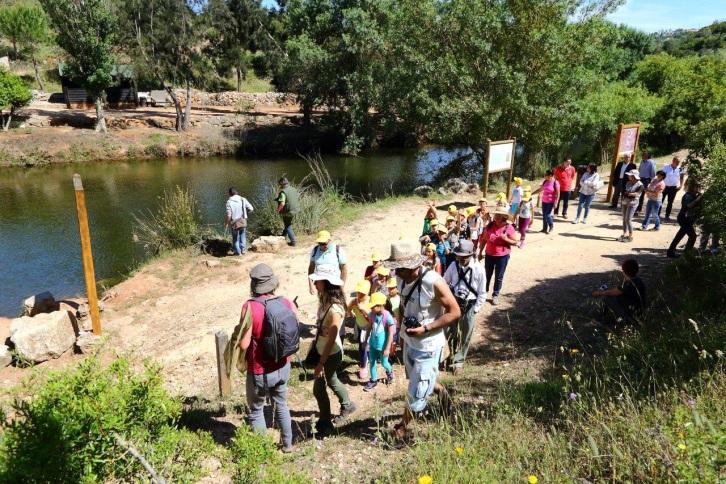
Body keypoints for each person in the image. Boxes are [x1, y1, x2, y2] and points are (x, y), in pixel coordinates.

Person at [382, 240, 460, 440]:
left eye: (398, 268)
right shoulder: (401, 280)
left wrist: (426, 328)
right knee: (419, 380)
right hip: (409, 342)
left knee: (416, 390)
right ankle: (442, 393)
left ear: (411, 266)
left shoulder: (433, 282)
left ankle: (402, 426)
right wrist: (399, 335)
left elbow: (454, 312)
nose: (395, 272)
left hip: (428, 345)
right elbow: (402, 307)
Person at [237, 264, 296, 452]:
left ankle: (263, 453)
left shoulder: (250, 307)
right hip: (283, 365)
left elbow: (244, 344)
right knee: (281, 404)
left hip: (260, 370)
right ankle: (287, 445)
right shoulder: (286, 302)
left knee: (256, 411)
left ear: (254, 285)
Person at [309, 265, 357, 436]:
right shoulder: (324, 299)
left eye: (317, 280)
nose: (314, 283)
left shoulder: (335, 308)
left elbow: (332, 336)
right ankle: (346, 405)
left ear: (327, 283)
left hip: (330, 353)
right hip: (325, 351)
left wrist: (321, 363)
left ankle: (325, 423)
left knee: (320, 388)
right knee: (330, 380)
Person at [443, 240, 486, 375]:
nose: (460, 259)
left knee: (465, 334)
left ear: (471, 255)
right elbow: (444, 282)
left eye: (464, 257)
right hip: (455, 302)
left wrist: (475, 309)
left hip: (470, 304)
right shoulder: (453, 266)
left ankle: (458, 361)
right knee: (450, 331)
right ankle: (449, 356)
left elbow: (482, 293)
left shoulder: (479, 269)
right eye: (459, 256)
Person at [481, 206, 519, 305]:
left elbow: (516, 242)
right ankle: (484, 293)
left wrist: (506, 239)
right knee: (487, 275)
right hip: (489, 254)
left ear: (504, 217)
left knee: (499, 276)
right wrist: (480, 251)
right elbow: (484, 239)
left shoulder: (509, 228)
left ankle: (495, 295)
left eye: (499, 215)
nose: (496, 216)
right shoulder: (489, 226)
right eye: (496, 214)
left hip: (502, 256)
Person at [591, 259, 646, 324]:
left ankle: (597, 321)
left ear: (624, 271)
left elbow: (612, 293)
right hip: (638, 311)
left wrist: (599, 293)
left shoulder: (629, 284)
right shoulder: (637, 280)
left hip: (631, 315)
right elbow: (618, 290)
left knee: (606, 297)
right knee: (610, 294)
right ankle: (606, 317)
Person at [363, 292, 396, 391]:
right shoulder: (372, 314)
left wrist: (387, 348)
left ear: (380, 305)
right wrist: (365, 340)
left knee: (384, 363)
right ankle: (373, 380)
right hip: (373, 344)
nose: (371, 308)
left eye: (373, 306)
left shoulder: (387, 317)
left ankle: (390, 371)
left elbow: (390, 334)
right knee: (372, 362)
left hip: (383, 346)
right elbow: (369, 327)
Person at [666, 180, 703, 258]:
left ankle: (670, 252)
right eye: (697, 187)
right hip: (684, 218)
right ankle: (687, 254)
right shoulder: (688, 195)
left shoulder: (695, 195)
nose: (699, 189)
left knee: (679, 235)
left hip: (688, 219)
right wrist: (697, 200)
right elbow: (688, 206)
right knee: (693, 236)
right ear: (693, 187)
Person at [308, 230, 348, 295]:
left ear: (330, 241)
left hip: (334, 285)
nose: (323, 245)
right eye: (321, 243)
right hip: (321, 285)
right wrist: (311, 285)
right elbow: (311, 268)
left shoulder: (337, 250)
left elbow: (344, 269)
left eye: (325, 243)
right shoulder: (315, 250)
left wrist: (342, 286)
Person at [348, 280, 372, 381]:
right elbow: (348, 308)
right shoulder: (355, 300)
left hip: (368, 328)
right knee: (361, 346)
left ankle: (363, 366)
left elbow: (372, 318)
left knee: (364, 347)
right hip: (359, 326)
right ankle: (365, 361)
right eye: (358, 292)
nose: (359, 295)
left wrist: (362, 309)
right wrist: (351, 312)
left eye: (362, 293)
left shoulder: (371, 302)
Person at [225, 187, 254, 256]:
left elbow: (229, 215)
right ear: (236, 192)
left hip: (234, 223)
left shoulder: (229, 202)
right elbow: (251, 209)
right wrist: (245, 213)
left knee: (235, 238)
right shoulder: (242, 199)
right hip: (243, 221)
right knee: (242, 235)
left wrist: (227, 223)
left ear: (230, 194)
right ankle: (243, 250)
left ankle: (238, 253)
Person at [531, 170, 560, 234]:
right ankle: (544, 228)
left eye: (546, 175)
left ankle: (551, 225)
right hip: (544, 201)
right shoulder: (545, 181)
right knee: (544, 215)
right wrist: (532, 193)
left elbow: (558, 194)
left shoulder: (555, 182)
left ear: (550, 175)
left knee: (547, 215)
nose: (544, 176)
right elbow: (540, 189)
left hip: (551, 201)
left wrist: (556, 202)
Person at [618, 170, 643, 242]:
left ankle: (630, 235)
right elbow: (625, 191)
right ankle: (624, 234)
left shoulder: (640, 184)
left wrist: (630, 193)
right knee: (624, 219)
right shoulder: (628, 182)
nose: (628, 176)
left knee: (628, 219)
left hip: (633, 203)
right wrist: (629, 194)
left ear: (634, 176)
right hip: (625, 201)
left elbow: (637, 194)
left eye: (630, 175)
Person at [659, 156, 686, 221]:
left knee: (670, 202)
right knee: (660, 201)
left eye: (679, 162)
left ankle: (667, 216)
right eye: (677, 162)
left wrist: (681, 185)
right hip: (664, 187)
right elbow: (661, 176)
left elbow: (682, 177)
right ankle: (657, 215)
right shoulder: (666, 167)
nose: (678, 163)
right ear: (673, 161)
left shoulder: (680, 169)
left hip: (673, 188)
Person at [276, 177, 299, 247]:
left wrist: (278, 210)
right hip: (295, 210)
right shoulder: (294, 189)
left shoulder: (283, 192)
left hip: (288, 211)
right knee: (287, 223)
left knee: (288, 226)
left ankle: (293, 241)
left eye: (280, 184)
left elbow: (282, 204)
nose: (279, 186)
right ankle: (283, 236)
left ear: (281, 184)